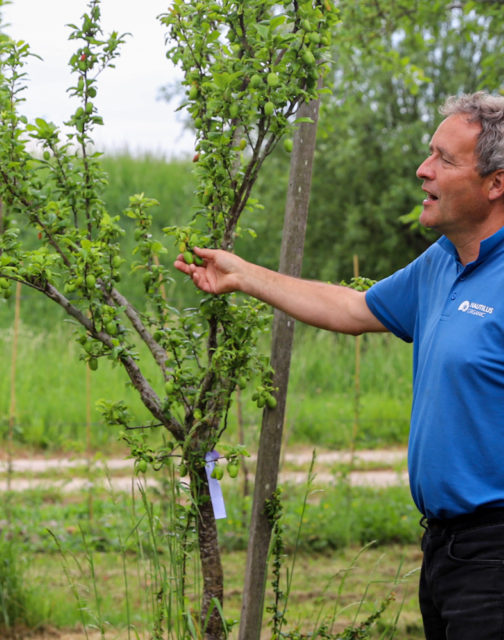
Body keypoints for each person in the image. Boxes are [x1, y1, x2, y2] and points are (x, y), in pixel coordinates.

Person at [175, 91, 504, 640]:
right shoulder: (442, 263)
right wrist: (243, 276)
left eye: (445, 160)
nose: (423, 170)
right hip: (444, 549)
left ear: (496, 183)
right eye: (429, 153)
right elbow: (353, 308)